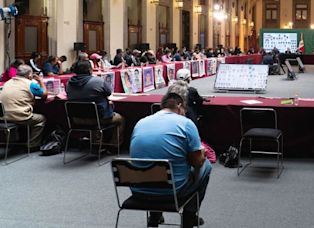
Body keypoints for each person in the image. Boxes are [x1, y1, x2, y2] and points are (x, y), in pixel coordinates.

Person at [129, 87, 211, 228]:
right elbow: (197, 162)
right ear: (180, 106)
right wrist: (201, 153)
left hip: (138, 189)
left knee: (153, 165)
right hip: (172, 191)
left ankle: (154, 217)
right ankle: (189, 217)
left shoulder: (141, 122)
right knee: (206, 166)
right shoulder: (186, 124)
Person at [66, 60, 125, 150]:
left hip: (76, 119)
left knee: (94, 110)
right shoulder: (98, 81)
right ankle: (114, 145)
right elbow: (108, 92)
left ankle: (96, 143)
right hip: (97, 119)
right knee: (120, 119)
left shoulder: (69, 83)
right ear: (90, 70)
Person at [0, 64, 48, 151]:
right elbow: (44, 95)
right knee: (41, 119)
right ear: (30, 74)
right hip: (20, 116)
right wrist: (41, 81)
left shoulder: (7, 83)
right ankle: (33, 145)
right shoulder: (30, 84)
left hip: (3, 116)